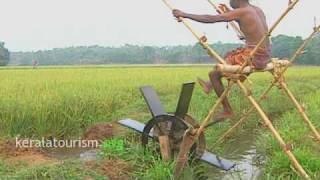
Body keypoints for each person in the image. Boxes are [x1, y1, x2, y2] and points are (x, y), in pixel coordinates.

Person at [173, 0, 271, 122]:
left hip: (254, 56)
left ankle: (227, 110)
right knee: (229, 57)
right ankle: (209, 85)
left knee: (214, 74)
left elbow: (211, 18)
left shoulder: (241, 12)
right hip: (265, 55)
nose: (230, 1)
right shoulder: (256, 10)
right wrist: (228, 13)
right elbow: (246, 22)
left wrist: (185, 14)